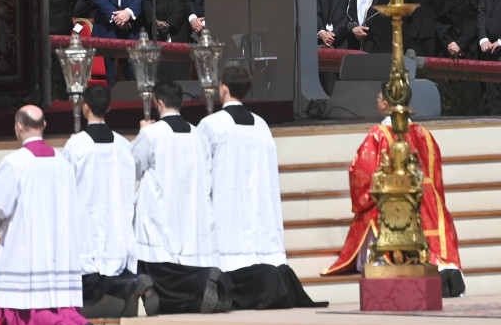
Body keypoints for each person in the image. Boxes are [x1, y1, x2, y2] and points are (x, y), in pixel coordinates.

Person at [0, 105, 96, 325]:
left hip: (27, 248)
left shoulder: (15, 162)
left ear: (19, 126)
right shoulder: (62, 161)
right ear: (44, 126)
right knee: (58, 306)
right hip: (59, 249)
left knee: (26, 315)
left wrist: (1, 222)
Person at [197, 67, 325, 309]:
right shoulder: (261, 125)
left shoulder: (211, 125)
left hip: (226, 207)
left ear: (223, 88)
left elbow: (200, 170)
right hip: (258, 204)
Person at [323, 86, 464, 296]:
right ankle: (444, 269)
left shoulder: (378, 134)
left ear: (385, 104)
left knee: (377, 219)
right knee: (433, 237)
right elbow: (436, 177)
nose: (377, 101)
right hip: (427, 203)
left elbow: (363, 173)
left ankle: (419, 269)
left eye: (378, 97)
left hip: (393, 204)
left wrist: (365, 196)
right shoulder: (425, 134)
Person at [133, 81, 230, 314]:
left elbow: (132, 166)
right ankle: (203, 282)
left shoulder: (151, 134)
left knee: (154, 259)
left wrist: (141, 132)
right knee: (187, 262)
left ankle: (153, 293)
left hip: (161, 212)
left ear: (159, 103)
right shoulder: (198, 135)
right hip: (192, 211)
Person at [62, 85, 156, 318]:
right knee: (112, 269)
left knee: (87, 283)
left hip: (87, 225)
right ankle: (131, 284)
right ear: (110, 108)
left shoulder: (76, 146)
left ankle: (131, 285)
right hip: (116, 225)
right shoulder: (123, 145)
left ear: (85, 107)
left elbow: (64, 185)